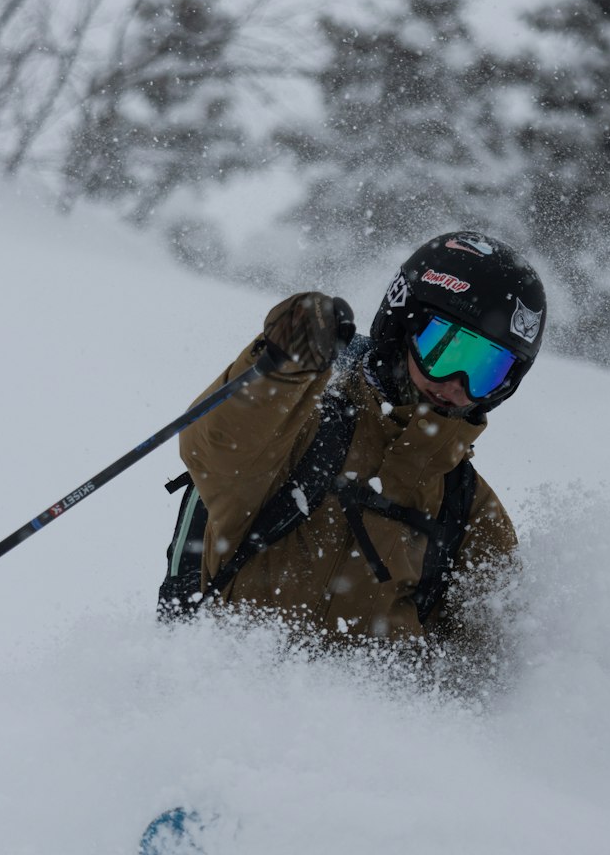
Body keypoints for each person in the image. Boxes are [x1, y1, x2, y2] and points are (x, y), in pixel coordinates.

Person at [161, 231, 546, 672]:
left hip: (362, 737)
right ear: (402, 325)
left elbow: (488, 677)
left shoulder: (469, 512)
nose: (458, 384)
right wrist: (282, 367)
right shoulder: (302, 424)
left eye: (488, 369)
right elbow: (215, 446)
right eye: (445, 349)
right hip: (214, 706)